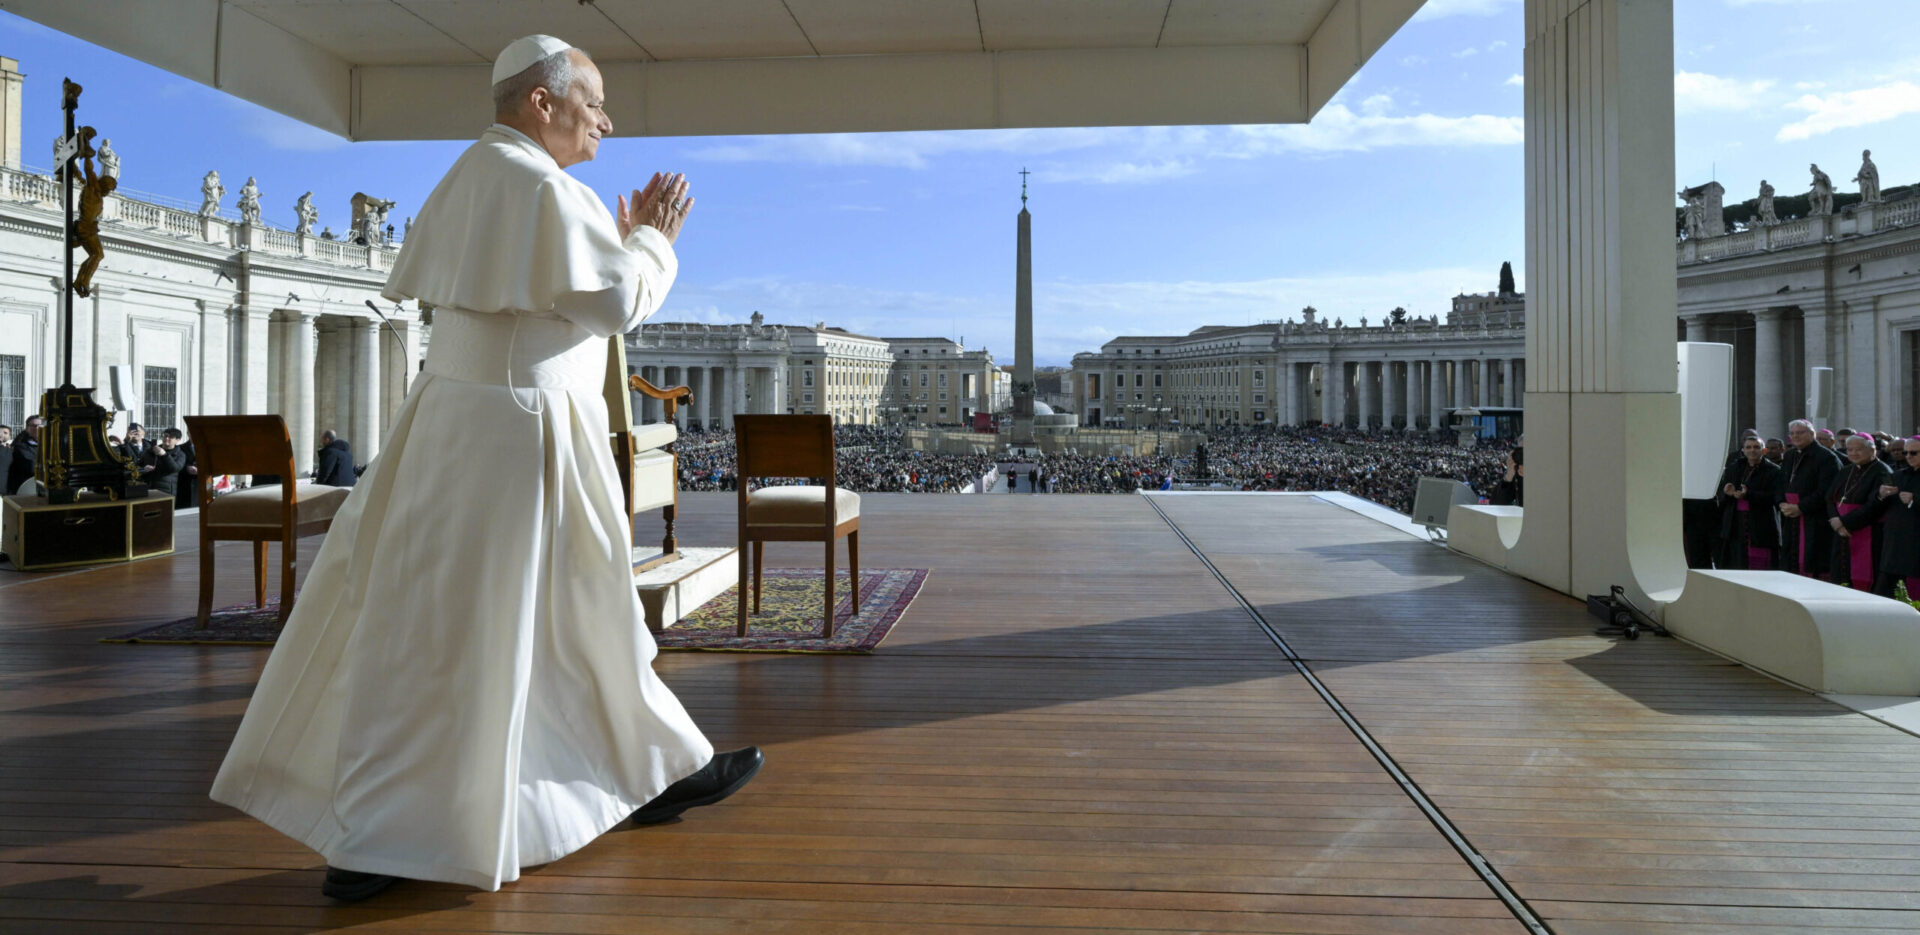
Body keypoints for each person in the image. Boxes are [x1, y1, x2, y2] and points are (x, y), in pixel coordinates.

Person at [210, 35, 758, 904]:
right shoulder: (541, 185)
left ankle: (645, 771)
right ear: (543, 102)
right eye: (594, 102)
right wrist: (650, 243)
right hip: (520, 438)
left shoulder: (481, 175)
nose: (606, 123)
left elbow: (554, 292)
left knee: (506, 626)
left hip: (461, 428)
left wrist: (607, 241)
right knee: (515, 628)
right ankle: (382, 835)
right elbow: (614, 302)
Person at [1829, 434, 1892, 591]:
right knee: (1841, 575)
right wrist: (1834, 519)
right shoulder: (1846, 471)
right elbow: (1829, 497)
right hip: (1841, 531)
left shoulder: (1882, 472)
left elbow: (1875, 506)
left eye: (1859, 449)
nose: (1853, 453)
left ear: (1872, 450)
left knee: (1866, 578)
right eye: (1850, 449)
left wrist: (1844, 523)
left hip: (1868, 532)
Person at [1779, 419, 1840, 579]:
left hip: (1814, 519)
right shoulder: (1790, 455)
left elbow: (1826, 490)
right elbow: (1780, 483)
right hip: (1790, 517)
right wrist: (1781, 503)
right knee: (1790, 558)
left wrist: (1800, 507)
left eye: (1800, 433)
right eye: (1792, 433)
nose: (1795, 436)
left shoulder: (1826, 458)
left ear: (1812, 434)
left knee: (1812, 559)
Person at [1716, 436, 1782, 569]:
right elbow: (1721, 492)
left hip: (1761, 521)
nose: (1752, 450)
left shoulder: (1773, 470)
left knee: (1760, 566)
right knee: (1736, 561)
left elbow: (1775, 497)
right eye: (1748, 447)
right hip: (1736, 522)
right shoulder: (1734, 468)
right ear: (1743, 451)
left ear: (1764, 451)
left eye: (1756, 447)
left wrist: (1748, 495)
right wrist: (1728, 492)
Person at [139, 427, 188, 497]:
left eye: (170, 437)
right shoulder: (151, 450)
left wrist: (164, 455)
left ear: (177, 440)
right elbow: (138, 465)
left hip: (166, 490)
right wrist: (144, 468)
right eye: (165, 436)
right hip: (147, 488)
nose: (166, 438)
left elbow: (175, 468)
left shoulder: (180, 454)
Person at [6, 415, 41, 495]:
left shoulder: (52, 445)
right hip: (26, 489)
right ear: (27, 428)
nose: (37, 428)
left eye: (40, 425)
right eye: (34, 426)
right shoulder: (20, 447)